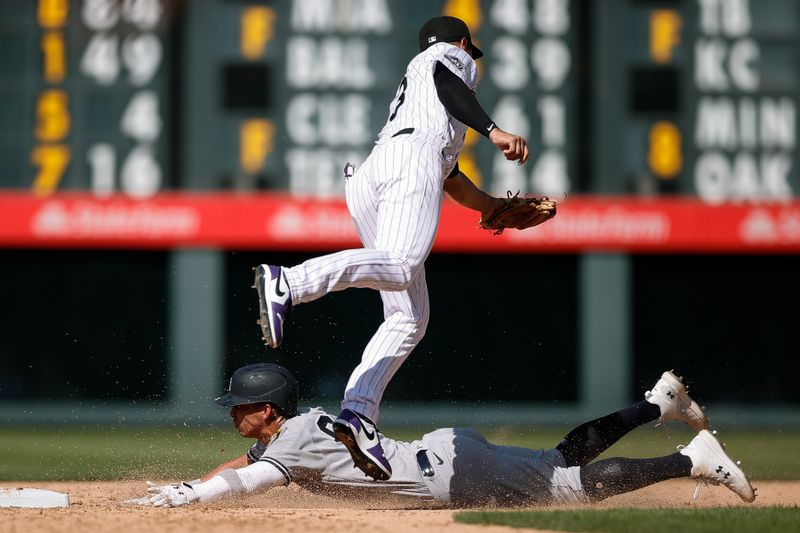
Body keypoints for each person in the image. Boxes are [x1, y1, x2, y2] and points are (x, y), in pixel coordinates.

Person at [253, 16, 530, 482]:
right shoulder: (443, 61)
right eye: (468, 50)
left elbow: (450, 177)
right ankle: (290, 281)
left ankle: (357, 416)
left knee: (407, 317)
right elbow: (449, 83)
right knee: (401, 266)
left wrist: (488, 207)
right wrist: (494, 129)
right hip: (406, 161)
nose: (468, 59)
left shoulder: (418, 101)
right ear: (462, 43)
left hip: (372, 174)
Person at [128, 364, 756, 508]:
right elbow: (246, 460)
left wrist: (187, 498)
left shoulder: (290, 442)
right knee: (558, 460)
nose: (233, 414)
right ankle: (655, 404)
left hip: (455, 476)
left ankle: (688, 460)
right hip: (449, 450)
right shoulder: (300, 425)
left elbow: (251, 478)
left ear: (267, 410)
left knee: (566, 486)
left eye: (240, 407)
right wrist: (192, 481)